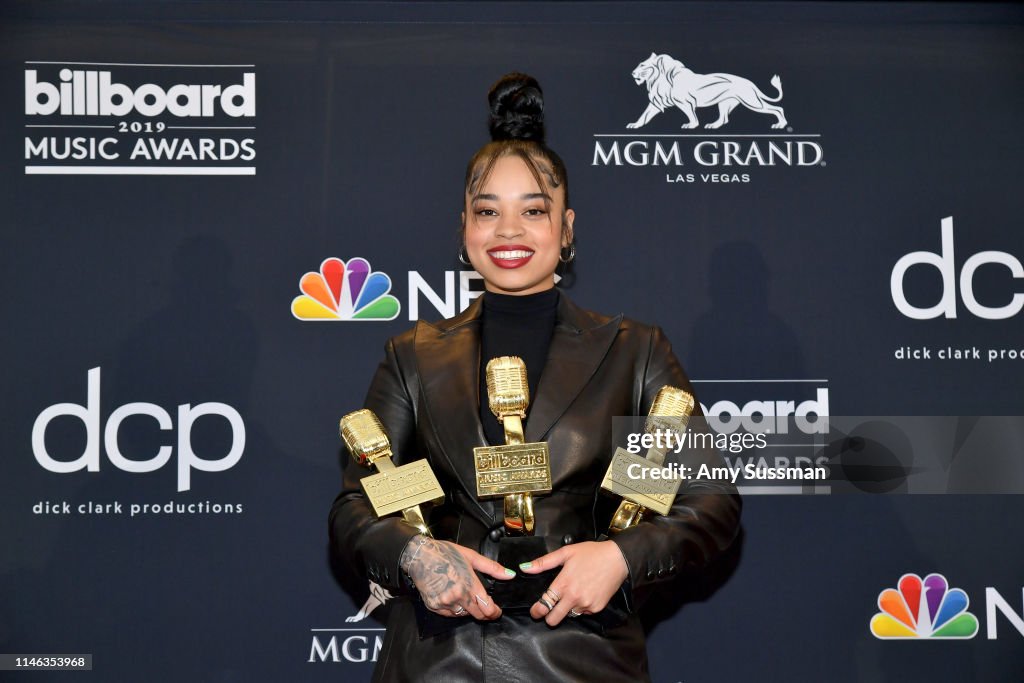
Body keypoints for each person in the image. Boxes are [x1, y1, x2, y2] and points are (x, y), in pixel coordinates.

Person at [329, 72, 741, 683]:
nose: (510, 231)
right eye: (488, 211)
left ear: (566, 228)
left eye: (534, 210)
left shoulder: (632, 353)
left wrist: (622, 557)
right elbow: (359, 505)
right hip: (435, 659)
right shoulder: (412, 356)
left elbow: (709, 499)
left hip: (583, 657)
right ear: (464, 228)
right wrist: (416, 554)